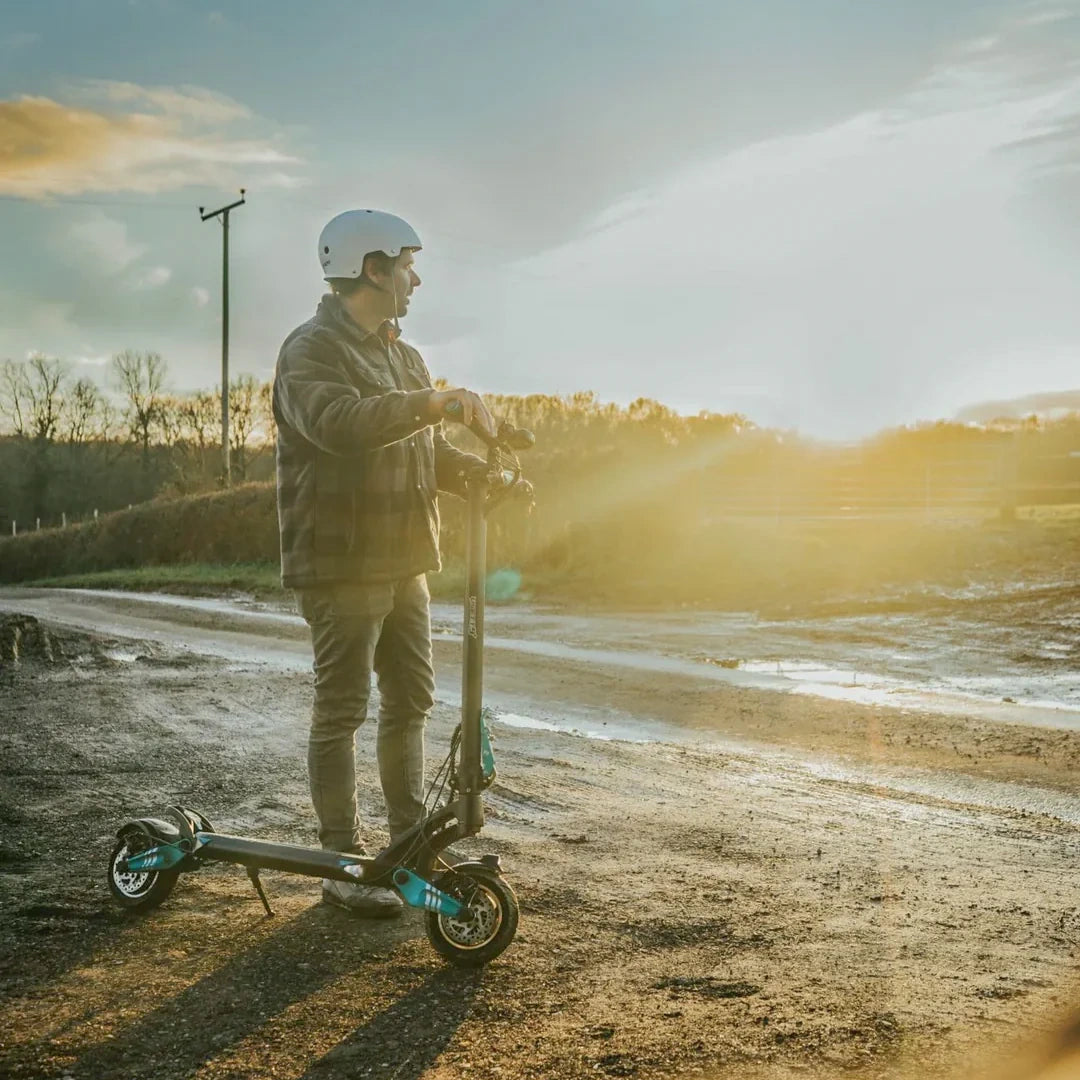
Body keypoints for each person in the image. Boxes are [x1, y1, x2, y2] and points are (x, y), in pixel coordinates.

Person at [272, 209, 494, 917]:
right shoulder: (309, 351)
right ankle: (342, 861)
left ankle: (410, 847)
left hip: (406, 563)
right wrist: (434, 402)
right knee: (343, 710)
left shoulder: (404, 354)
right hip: (341, 566)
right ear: (372, 268)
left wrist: (480, 474)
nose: (416, 278)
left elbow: (418, 446)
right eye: (407, 264)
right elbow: (340, 425)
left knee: (412, 703)